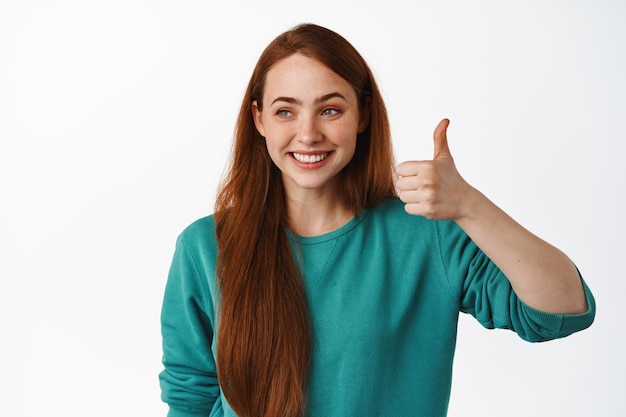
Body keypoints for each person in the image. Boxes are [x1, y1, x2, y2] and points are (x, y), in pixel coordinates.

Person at [159, 23, 595, 417]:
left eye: (330, 110)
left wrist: (468, 205)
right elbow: (190, 398)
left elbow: (563, 311)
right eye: (285, 111)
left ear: (363, 114)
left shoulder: (428, 236)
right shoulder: (204, 247)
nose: (308, 133)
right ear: (259, 119)